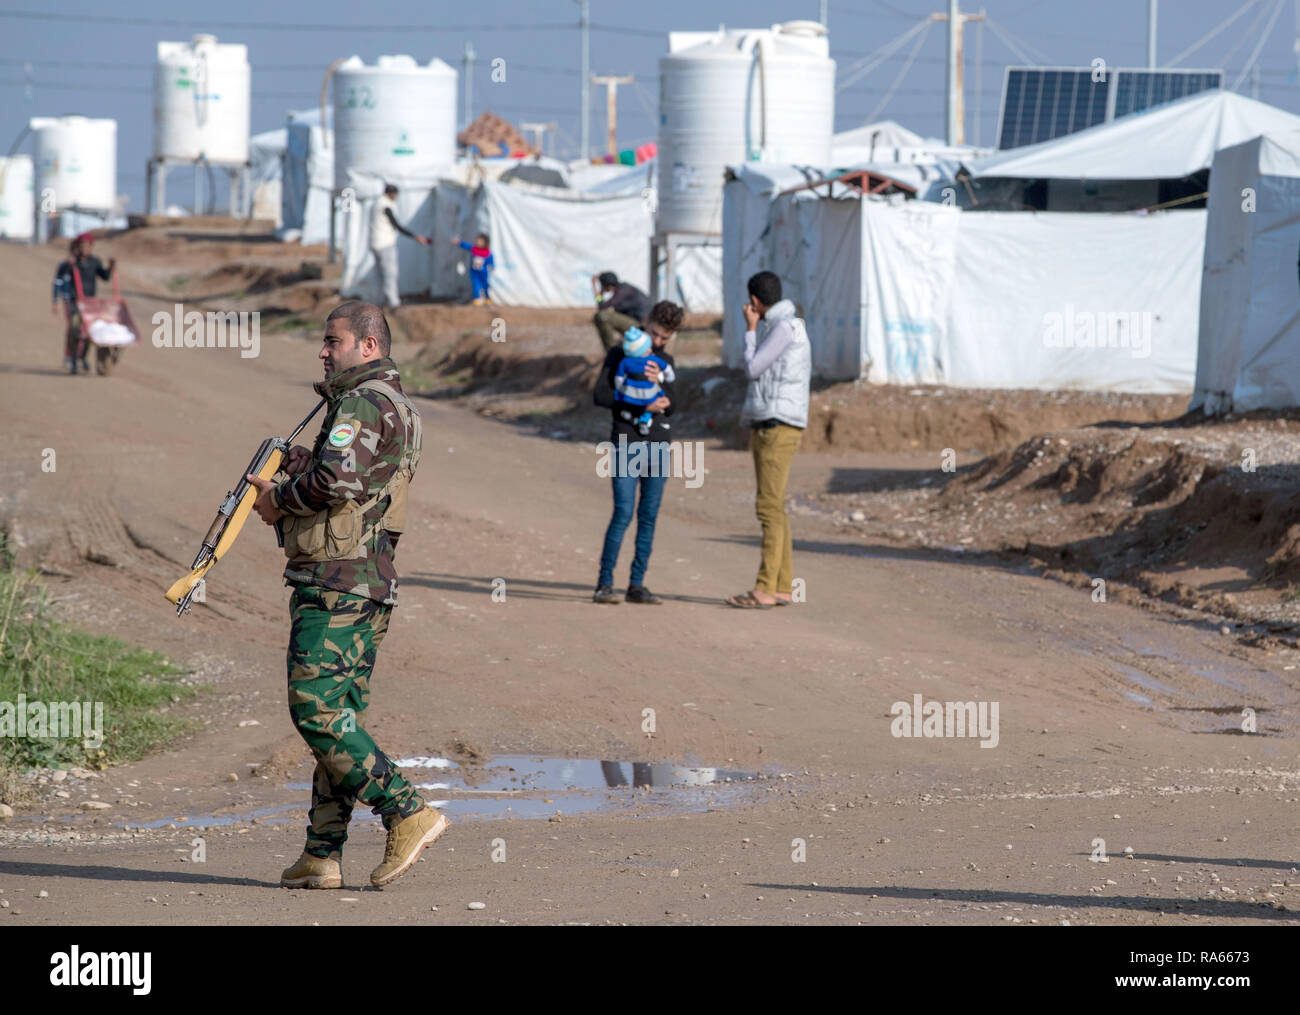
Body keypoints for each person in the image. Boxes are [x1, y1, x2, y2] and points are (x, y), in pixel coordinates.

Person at [245, 300, 448, 889]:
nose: (323, 351)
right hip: (367, 583)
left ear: (367, 345)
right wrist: (301, 463)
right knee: (341, 712)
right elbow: (357, 477)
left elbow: (336, 482)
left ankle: (407, 810)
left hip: (339, 580)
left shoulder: (361, 401)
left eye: (333, 341)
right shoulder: (396, 405)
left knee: (315, 708)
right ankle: (322, 853)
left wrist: (278, 500)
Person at [726, 271, 811, 610]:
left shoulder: (784, 328)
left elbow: (752, 368)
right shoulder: (783, 325)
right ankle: (782, 586)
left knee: (768, 507)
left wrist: (748, 331)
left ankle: (763, 587)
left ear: (757, 302)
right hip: (773, 421)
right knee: (776, 507)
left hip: (779, 425)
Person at [592, 300, 684, 605]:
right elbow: (601, 395)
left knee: (649, 516)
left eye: (664, 339)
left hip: (658, 444)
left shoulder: (664, 360)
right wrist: (639, 405)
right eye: (655, 334)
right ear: (645, 322)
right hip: (626, 442)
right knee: (623, 512)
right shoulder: (620, 354)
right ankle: (605, 583)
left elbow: (675, 404)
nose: (657, 343)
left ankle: (636, 585)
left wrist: (662, 396)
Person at [51, 233, 114, 375]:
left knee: (89, 333)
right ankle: (72, 360)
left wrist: (111, 267)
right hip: (75, 302)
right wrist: (55, 300)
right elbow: (59, 279)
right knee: (74, 330)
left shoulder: (95, 262)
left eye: (87, 245)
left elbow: (105, 277)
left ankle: (82, 358)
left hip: (90, 304)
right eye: (82, 245)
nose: (85, 248)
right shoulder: (72, 263)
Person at [370, 184, 431, 311]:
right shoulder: (385, 205)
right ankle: (393, 302)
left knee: (378, 274)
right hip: (385, 243)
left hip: (374, 242)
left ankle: (377, 301)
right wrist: (415, 236)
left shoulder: (376, 204)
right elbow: (396, 225)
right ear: (391, 194)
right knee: (390, 273)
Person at [592, 271, 652, 352]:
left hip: (641, 325)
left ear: (609, 286)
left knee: (602, 316)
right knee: (604, 315)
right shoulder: (622, 289)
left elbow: (602, 307)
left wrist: (596, 288)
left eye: (602, 286)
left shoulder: (622, 291)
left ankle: (611, 352)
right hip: (637, 322)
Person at [451, 232, 495, 305]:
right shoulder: (474, 249)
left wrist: (492, 267)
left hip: (484, 273)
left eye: (480, 241)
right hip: (474, 273)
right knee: (476, 285)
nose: (478, 242)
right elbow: (466, 246)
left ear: (485, 243)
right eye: (477, 241)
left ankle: (487, 298)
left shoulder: (487, 253)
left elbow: (491, 261)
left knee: (485, 286)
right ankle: (477, 299)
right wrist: (459, 242)